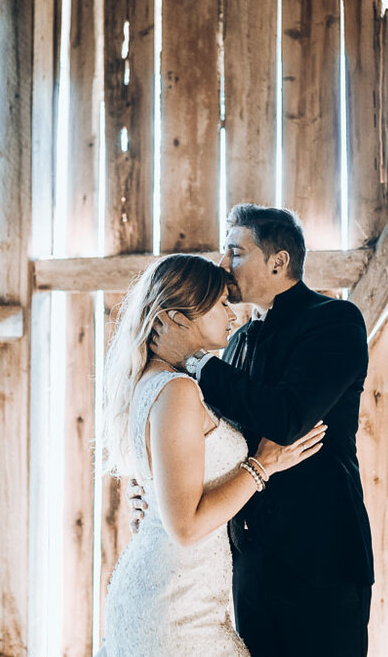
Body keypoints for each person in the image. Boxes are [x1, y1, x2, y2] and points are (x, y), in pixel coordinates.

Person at [140, 204, 374, 656]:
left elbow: (287, 419)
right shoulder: (241, 337)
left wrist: (195, 361)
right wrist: (155, 493)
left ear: (278, 261)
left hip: (321, 563)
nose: (223, 266)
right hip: (250, 563)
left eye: (235, 252)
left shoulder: (334, 322)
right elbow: (207, 434)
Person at [97, 253, 327, 656]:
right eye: (221, 303)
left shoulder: (163, 383)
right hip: (176, 605)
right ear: (180, 316)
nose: (232, 316)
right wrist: (262, 465)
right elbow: (185, 527)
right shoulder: (177, 392)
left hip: (182, 589)